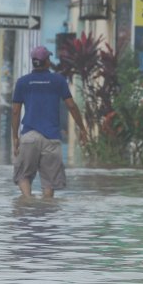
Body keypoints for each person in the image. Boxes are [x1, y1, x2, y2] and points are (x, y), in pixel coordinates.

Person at [10, 45, 89, 198]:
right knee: (49, 183)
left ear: (34, 62)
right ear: (46, 61)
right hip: (52, 138)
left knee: (22, 175)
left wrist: (15, 136)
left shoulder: (22, 82)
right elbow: (71, 106)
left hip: (29, 136)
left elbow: (15, 111)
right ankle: (46, 212)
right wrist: (82, 129)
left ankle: (27, 201)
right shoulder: (58, 81)